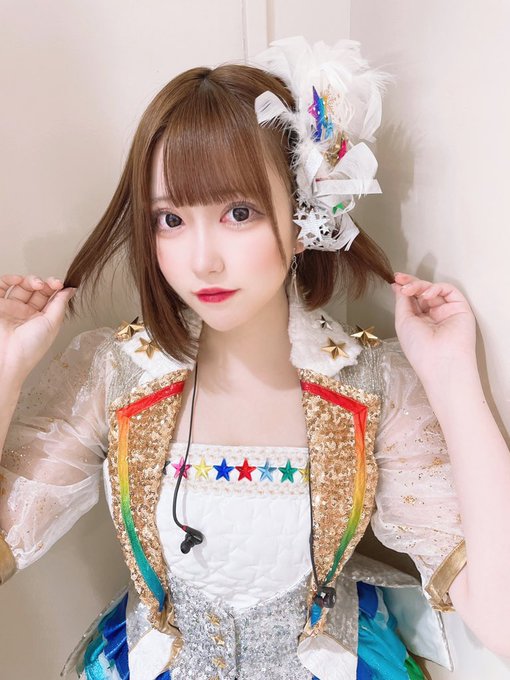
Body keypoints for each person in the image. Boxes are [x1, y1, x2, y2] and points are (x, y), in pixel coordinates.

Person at [0, 35, 509, 680]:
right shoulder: (114, 371)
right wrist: (6, 365)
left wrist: (454, 380)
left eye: (238, 213)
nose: (202, 260)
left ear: (304, 218)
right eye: (170, 220)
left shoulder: (372, 383)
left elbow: (501, 619)